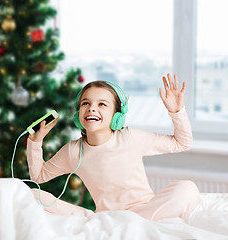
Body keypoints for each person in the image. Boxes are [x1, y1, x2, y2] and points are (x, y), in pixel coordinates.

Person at [27, 73, 199, 221]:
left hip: (144, 210)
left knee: (187, 189)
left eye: (102, 104)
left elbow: (182, 143)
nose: (91, 108)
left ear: (117, 116)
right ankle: (118, 222)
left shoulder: (130, 138)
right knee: (34, 195)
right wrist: (35, 142)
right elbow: (38, 176)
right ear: (78, 113)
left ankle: (133, 222)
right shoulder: (73, 151)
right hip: (105, 216)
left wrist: (177, 112)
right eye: (86, 103)